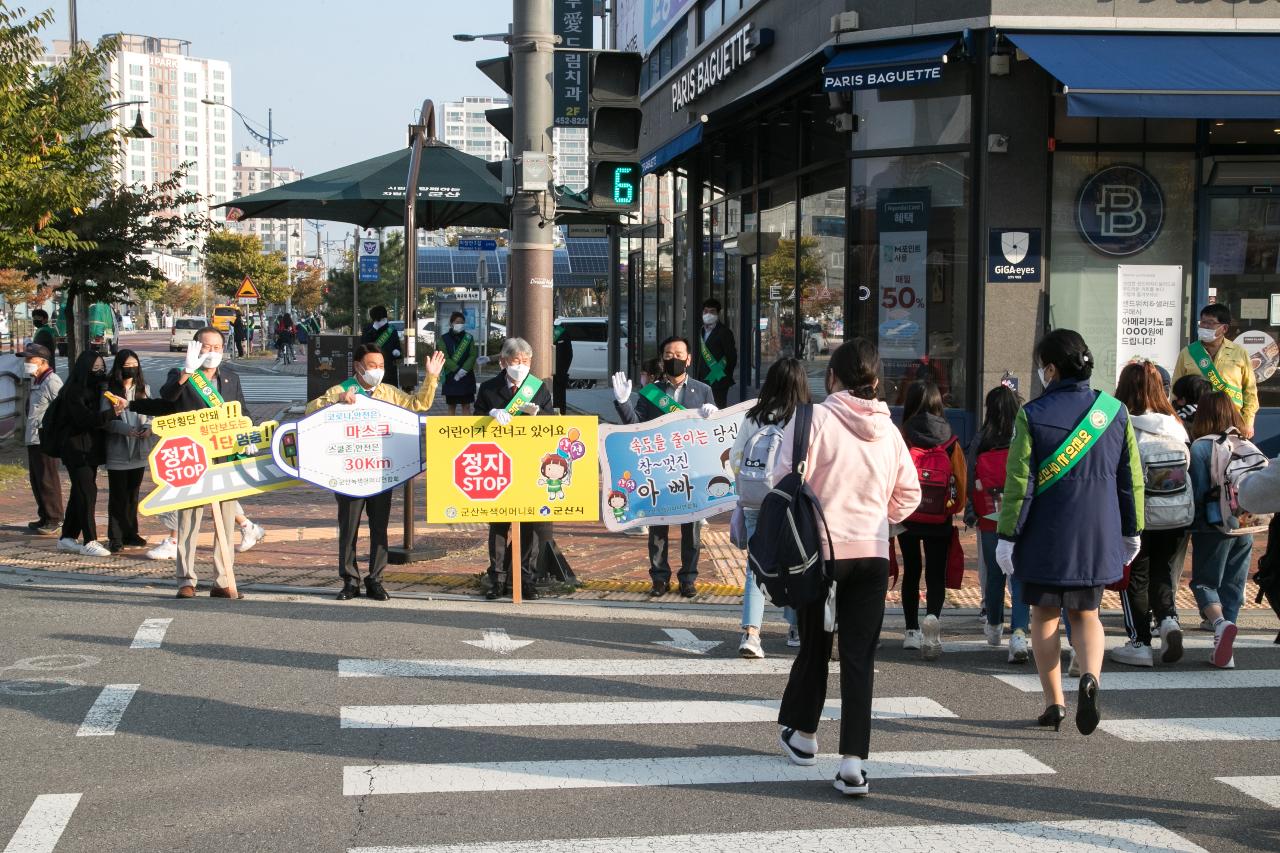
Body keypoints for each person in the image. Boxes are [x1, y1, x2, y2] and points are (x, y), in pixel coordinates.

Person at [773, 338, 921, 797]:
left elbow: (781, 480)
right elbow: (910, 495)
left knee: (815, 645)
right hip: (873, 556)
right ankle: (854, 764)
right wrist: (881, 521)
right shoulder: (891, 431)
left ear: (832, 378)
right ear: (876, 381)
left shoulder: (814, 419)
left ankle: (803, 734)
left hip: (822, 555)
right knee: (860, 658)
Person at [995, 329, 1143, 735]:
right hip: (1097, 533)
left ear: (1052, 368)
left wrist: (1008, 536)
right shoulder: (1114, 412)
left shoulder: (1032, 414)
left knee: (1043, 617)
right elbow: (1130, 479)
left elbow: (1019, 484)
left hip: (1044, 533)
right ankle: (1090, 678)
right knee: (1087, 613)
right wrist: (1132, 530)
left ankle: (1055, 703)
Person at [307, 344, 444, 601]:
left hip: (380, 471)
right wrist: (336, 400)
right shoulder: (342, 389)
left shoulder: (388, 392)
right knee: (349, 528)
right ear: (358, 366)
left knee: (379, 528)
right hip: (349, 472)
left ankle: (376, 579)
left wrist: (432, 376)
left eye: (381, 366)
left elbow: (418, 404)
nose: (377, 371)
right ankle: (350, 580)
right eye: (372, 366)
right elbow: (310, 410)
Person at [611, 336, 718, 597]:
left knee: (691, 526)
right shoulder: (651, 393)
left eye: (679, 354)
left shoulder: (703, 390)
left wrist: (713, 415)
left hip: (691, 469)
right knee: (658, 525)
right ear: (662, 359)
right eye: (669, 355)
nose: (674, 360)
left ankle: (688, 578)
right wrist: (623, 402)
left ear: (689, 359)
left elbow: (714, 432)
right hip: (659, 470)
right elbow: (634, 425)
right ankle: (659, 577)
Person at [155, 328, 249, 599]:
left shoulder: (231, 377)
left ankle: (224, 579)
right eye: (207, 347)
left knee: (226, 520)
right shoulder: (182, 374)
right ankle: (186, 579)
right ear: (196, 348)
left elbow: (242, 411)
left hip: (226, 456)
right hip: (192, 458)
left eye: (217, 347)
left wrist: (249, 435)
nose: (212, 352)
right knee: (189, 520)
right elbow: (167, 397)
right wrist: (187, 371)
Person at [1110, 360, 1190, 668]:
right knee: (1162, 572)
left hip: (1140, 516)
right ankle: (1169, 621)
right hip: (1176, 515)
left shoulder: (1122, 425)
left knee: (1135, 579)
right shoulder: (1175, 427)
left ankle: (1140, 642)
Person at [729, 357, 806, 657]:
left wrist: (744, 490)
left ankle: (751, 634)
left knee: (755, 568)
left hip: (755, 501)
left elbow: (736, 459)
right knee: (797, 564)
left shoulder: (753, 416)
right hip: (791, 502)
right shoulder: (804, 417)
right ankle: (796, 627)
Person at [476, 337, 554, 601]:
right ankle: (496, 578)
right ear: (503, 362)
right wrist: (491, 415)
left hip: (530, 464)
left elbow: (552, 423)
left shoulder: (538, 388)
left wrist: (538, 416)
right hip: (498, 465)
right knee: (499, 524)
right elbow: (472, 425)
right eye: (515, 361)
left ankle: (525, 578)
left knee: (530, 525)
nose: (520, 366)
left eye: (525, 361)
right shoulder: (488, 389)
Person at [897, 381, 966, 660]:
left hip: (908, 516)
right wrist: (953, 508)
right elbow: (961, 482)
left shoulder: (903, 436)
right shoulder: (950, 440)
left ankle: (911, 631)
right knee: (935, 573)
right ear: (939, 404)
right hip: (940, 518)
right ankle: (932, 623)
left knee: (911, 571)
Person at [1188, 391, 1253, 669]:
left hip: (1214, 525)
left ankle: (1219, 624)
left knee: (1204, 582)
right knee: (1233, 585)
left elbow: (1200, 493)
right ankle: (1228, 648)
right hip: (1247, 525)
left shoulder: (1201, 447)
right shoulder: (1245, 443)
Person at [967, 383, 1031, 663]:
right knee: (1019, 576)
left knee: (994, 575)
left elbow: (971, 481)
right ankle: (1018, 633)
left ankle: (994, 627)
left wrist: (972, 512)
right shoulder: (1025, 436)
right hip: (1021, 517)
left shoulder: (981, 440)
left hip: (990, 518)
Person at [51, 350, 117, 556]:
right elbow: (84, 419)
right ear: (84, 368)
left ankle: (67, 537)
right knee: (87, 492)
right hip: (76, 450)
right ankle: (90, 540)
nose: (99, 372)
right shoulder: (74, 392)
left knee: (79, 492)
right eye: (94, 368)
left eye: (102, 367)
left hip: (91, 450)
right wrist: (112, 413)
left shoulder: (99, 389)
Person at [1173, 303, 1257, 438]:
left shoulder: (1239, 353)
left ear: (1224, 328)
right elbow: (1175, 389)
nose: (1204, 326)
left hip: (1231, 419)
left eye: (1210, 323)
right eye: (1203, 322)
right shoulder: (1188, 352)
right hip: (1197, 420)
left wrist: (1248, 421)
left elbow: (1250, 391)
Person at [102, 350, 152, 553]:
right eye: (127, 364)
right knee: (117, 496)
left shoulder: (144, 388)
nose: (131, 367)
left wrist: (148, 428)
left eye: (135, 363)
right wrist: (126, 430)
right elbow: (105, 419)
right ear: (119, 367)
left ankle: (131, 532)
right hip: (118, 451)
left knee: (133, 494)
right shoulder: (108, 390)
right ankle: (115, 536)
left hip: (138, 451)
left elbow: (152, 413)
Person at [22, 343, 63, 535]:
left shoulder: (52, 381)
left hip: (45, 439)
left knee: (47, 479)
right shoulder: (36, 381)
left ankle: (55, 518)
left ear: (43, 361)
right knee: (37, 479)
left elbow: (62, 408)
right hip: (33, 438)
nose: (27, 363)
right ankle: (44, 515)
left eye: (30, 359)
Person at [694, 298, 736, 409]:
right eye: (705, 311)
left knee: (717, 409)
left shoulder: (724, 332)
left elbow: (732, 357)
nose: (708, 314)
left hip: (718, 379)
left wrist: (723, 374)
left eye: (712, 311)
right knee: (702, 410)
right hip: (703, 379)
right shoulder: (702, 330)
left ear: (718, 313)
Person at [439, 311, 478, 415]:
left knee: (466, 405)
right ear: (451, 323)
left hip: (466, 375)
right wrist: (457, 370)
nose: (459, 324)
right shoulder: (444, 338)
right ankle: (452, 429)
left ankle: (467, 430)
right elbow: (444, 357)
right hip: (451, 376)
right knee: (451, 406)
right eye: (457, 322)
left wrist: (463, 370)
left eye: (462, 322)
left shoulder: (469, 338)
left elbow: (473, 355)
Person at [361, 305, 402, 388]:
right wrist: (374, 329)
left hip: (389, 370)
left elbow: (398, 349)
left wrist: (397, 352)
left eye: (384, 319)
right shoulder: (368, 330)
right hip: (372, 369)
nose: (383, 321)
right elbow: (363, 346)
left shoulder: (391, 330)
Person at [552, 319, 574, 415]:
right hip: (541, 374)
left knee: (559, 402)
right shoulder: (537, 333)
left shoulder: (561, 332)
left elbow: (569, 354)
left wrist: (563, 371)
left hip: (559, 375)